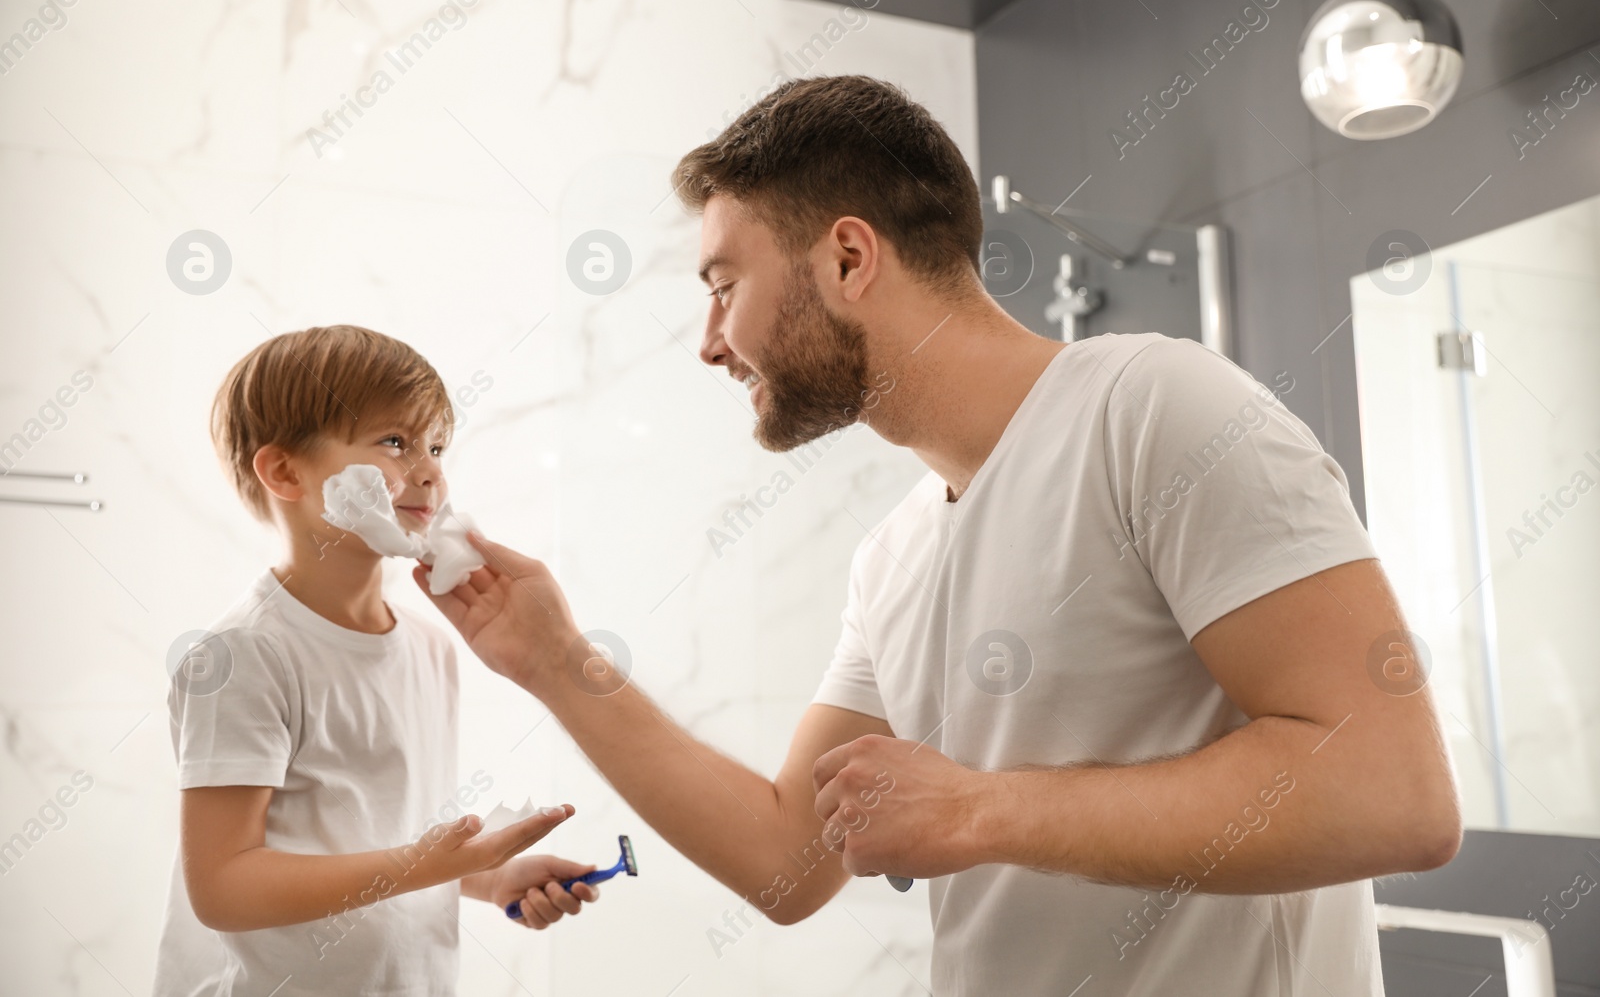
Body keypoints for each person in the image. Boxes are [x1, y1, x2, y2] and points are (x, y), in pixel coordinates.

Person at [419, 76, 1462, 995]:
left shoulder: (1155, 409)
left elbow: (1391, 790)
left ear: (846, 256)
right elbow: (789, 858)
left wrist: (983, 810)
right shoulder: (896, 555)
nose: (708, 342)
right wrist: (555, 662)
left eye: (722, 284)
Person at [154, 326, 599, 997]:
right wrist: (425, 865)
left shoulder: (430, 645)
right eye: (394, 441)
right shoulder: (243, 656)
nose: (428, 470)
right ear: (284, 472)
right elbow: (223, 887)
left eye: (437, 445)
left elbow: (379, 840)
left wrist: (482, 875)